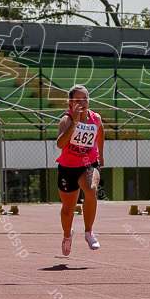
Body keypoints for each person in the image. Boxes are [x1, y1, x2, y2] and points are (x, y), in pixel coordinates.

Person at [55, 84, 105, 256]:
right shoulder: (66, 120)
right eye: (78, 100)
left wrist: (101, 155)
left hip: (89, 164)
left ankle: (89, 232)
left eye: (85, 99)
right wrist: (75, 122)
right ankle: (68, 235)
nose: (82, 103)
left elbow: (100, 133)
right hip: (68, 167)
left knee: (91, 190)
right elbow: (60, 144)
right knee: (68, 209)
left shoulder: (95, 118)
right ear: (70, 103)